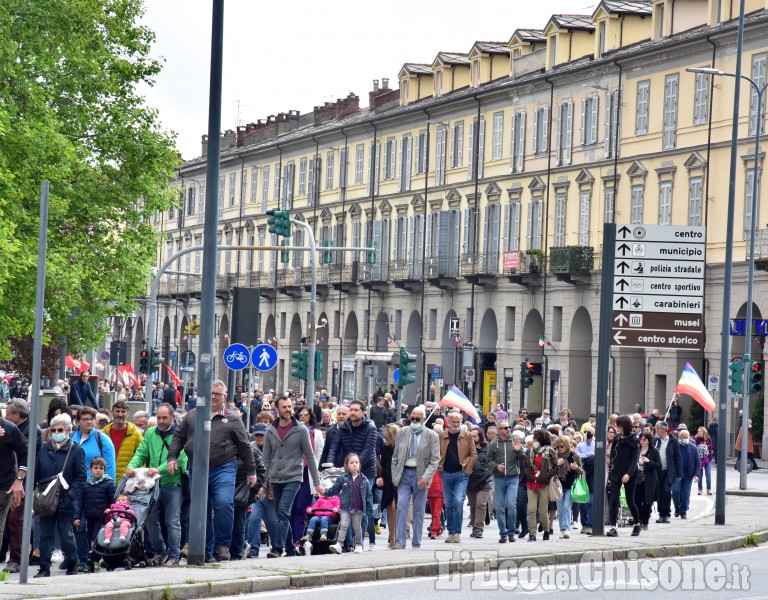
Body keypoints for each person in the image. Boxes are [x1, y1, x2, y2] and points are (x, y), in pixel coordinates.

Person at [167, 380, 257, 562]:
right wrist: (172, 457)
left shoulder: (233, 419)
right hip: (197, 468)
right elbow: (178, 437)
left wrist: (251, 470)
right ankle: (206, 552)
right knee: (201, 510)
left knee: (224, 503)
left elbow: (245, 446)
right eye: (211, 393)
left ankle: (222, 544)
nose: (214, 397)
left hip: (223, 467)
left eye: (217, 394)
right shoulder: (193, 415)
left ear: (224, 397)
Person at [125, 403, 188, 566]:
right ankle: (159, 551)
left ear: (173, 417)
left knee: (172, 520)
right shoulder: (151, 433)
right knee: (150, 519)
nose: (161, 421)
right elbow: (141, 453)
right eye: (159, 417)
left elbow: (180, 459)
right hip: (153, 485)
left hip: (173, 484)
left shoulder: (181, 434)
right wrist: (131, 467)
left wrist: (157, 469)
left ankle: (174, 555)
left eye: (164, 417)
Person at [261, 395, 323, 559]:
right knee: (282, 515)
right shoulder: (271, 430)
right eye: (285, 407)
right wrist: (262, 482)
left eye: (290, 407)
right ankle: (290, 548)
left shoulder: (300, 429)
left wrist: (316, 483)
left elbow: (310, 457)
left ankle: (277, 547)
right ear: (277, 409)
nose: (288, 410)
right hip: (275, 477)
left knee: (283, 511)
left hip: (294, 477)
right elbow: (266, 459)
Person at [34, 414, 86, 578]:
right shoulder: (44, 449)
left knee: (66, 533)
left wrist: (71, 494)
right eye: (54, 430)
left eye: (60, 430)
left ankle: (72, 561)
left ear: (68, 431)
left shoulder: (76, 450)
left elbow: (81, 476)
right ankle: (44, 567)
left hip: (66, 499)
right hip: (47, 500)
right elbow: (37, 472)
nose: (57, 433)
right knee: (45, 534)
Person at [390, 405, 440, 549]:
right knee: (401, 506)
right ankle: (400, 541)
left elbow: (435, 459)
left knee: (418, 510)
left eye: (417, 419)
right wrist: (395, 476)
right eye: (412, 418)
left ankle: (416, 542)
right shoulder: (402, 432)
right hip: (404, 474)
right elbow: (395, 457)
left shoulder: (432, 435)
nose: (414, 421)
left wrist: (426, 477)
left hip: (421, 475)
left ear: (423, 419)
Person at [321, 454, 373, 554]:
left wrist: (369, 510)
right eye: (351, 463)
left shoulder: (364, 480)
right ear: (347, 465)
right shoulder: (342, 478)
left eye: (356, 462)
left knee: (357, 527)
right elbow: (334, 490)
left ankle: (358, 544)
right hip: (345, 507)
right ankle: (339, 544)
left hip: (358, 509)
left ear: (359, 465)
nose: (354, 465)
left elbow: (368, 496)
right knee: (344, 525)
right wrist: (324, 491)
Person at [438, 412, 477, 543]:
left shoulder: (467, 435)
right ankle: (451, 532)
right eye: (453, 422)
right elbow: (437, 453)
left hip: (461, 473)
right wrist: (440, 469)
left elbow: (473, 454)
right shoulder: (442, 435)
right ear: (448, 421)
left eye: (458, 422)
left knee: (458, 501)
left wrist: (466, 471)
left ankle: (457, 533)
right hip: (446, 473)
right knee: (448, 503)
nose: (455, 424)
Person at [486, 420, 525, 543]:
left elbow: (524, 459)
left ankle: (511, 532)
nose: (508, 429)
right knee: (500, 507)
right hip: (499, 478)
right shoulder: (493, 444)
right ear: (499, 430)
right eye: (505, 428)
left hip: (513, 478)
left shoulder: (515, 441)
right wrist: (496, 466)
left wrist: (519, 450)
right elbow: (488, 461)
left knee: (511, 505)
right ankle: (503, 533)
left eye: (509, 427)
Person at [75, 457, 116, 571]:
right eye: (95, 468)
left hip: (102, 517)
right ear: (90, 469)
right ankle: (93, 562)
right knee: (90, 540)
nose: (98, 470)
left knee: (97, 538)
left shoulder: (108, 483)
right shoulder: (86, 485)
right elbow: (81, 503)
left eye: (101, 468)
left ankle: (99, 561)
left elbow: (113, 501)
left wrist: (112, 514)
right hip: (89, 517)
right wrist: (77, 516)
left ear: (104, 470)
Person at [0, 408, 28, 573]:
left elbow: (25, 451)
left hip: (4, 484)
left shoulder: (9, 429)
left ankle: (15, 559)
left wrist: (19, 480)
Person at [606, 415, 641, 537]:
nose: (616, 427)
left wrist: (628, 474)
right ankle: (613, 527)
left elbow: (634, 460)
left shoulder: (634, 440)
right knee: (614, 499)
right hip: (616, 472)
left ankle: (637, 524)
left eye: (618, 425)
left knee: (630, 500)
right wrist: (610, 474)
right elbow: (612, 457)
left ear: (622, 426)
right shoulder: (617, 438)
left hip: (629, 473)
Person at [525, 429, 557, 542]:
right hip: (531, 482)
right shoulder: (531, 451)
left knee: (543, 511)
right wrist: (528, 474)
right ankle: (532, 534)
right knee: (531, 509)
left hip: (543, 483)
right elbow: (526, 465)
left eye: (535, 438)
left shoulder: (549, 451)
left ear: (540, 439)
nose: (533, 440)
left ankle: (546, 530)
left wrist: (546, 476)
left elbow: (555, 467)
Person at [102, 400, 143, 481]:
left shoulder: (136, 434)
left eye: (123, 412)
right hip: (106, 479)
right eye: (117, 411)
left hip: (127, 479)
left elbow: (142, 457)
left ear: (128, 413)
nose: (120, 414)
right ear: (112, 413)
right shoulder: (103, 434)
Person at [553, 434, 583, 539]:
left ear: (567, 445)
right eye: (557, 447)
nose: (559, 449)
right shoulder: (555, 456)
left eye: (561, 446)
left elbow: (581, 472)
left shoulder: (575, 456)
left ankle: (566, 529)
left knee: (566, 506)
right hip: (558, 486)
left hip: (571, 485)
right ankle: (562, 529)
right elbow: (550, 471)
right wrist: (557, 464)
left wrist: (576, 468)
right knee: (560, 509)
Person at [467, 427, 493, 539]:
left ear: (480, 437)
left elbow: (491, 464)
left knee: (480, 504)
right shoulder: (466, 448)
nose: (472, 438)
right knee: (473, 506)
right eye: (471, 436)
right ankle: (474, 526)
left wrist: (486, 475)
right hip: (470, 481)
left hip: (484, 482)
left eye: (475, 436)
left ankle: (478, 529)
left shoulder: (487, 449)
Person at [377, 423, 400, 548]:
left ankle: (397, 538)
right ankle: (392, 538)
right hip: (388, 481)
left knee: (395, 508)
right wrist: (381, 478)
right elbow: (383, 465)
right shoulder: (385, 448)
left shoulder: (401, 448)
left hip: (400, 481)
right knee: (390, 509)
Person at [654, 421, 681, 524]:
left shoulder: (673, 441)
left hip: (668, 470)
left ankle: (667, 514)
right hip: (658, 470)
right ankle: (661, 514)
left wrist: (679, 473)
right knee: (659, 493)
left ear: (664, 430)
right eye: (656, 428)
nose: (656, 430)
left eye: (658, 428)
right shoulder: (656, 441)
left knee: (666, 491)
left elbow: (677, 458)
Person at [634, 432, 661, 531]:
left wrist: (649, 462)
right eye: (640, 439)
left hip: (649, 480)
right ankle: (639, 520)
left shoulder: (654, 451)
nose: (642, 441)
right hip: (637, 480)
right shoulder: (636, 450)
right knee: (637, 501)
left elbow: (659, 466)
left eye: (644, 439)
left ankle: (645, 522)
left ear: (649, 441)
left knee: (647, 502)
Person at [673, 429, 701, 519]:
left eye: (687, 437)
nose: (686, 439)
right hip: (677, 475)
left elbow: (698, 462)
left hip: (688, 475)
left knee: (686, 494)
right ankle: (677, 507)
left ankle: (683, 511)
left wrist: (697, 474)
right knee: (675, 491)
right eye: (684, 437)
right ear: (680, 438)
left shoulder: (693, 447)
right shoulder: (675, 447)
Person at [694, 426, 713, 495]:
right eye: (698, 431)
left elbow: (710, 448)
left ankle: (709, 489)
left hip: (708, 459)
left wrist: (705, 448)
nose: (698, 433)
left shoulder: (708, 439)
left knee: (708, 474)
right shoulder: (696, 439)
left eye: (700, 431)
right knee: (700, 474)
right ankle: (700, 489)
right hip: (699, 460)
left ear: (704, 432)